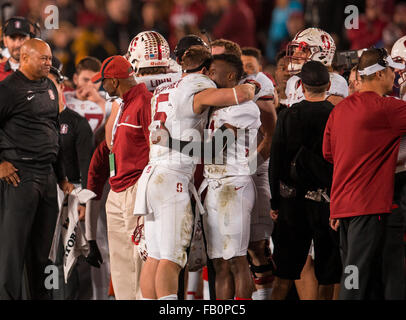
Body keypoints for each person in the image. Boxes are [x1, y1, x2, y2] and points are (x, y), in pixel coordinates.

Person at [135, 45, 256, 300]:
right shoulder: (198, 88)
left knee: (155, 258)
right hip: (174, 178)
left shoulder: (163, 88)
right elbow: (242, 94)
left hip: (154, 174)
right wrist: (252, 86)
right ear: (202, 71)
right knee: (170, 259)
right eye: (209, 73)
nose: (211, 79)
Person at [323, 48, 406, 300]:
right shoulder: (386, 109)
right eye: (392, 70)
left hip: (342, 205)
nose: (395, 75)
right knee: (356, 277)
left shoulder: (340, 110)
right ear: (380, 73)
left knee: (354, 272)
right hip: (368, 206)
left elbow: (329, 153)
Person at [0, 38, 74, 300]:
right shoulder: (8, 88)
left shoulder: (50, 87)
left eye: (50, 58)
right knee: (12, 251)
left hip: (47, 177)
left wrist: (62, 176)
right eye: (43, 58)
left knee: (42, 252)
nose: (48, 62)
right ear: (24, 58)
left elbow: (54, 134)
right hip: (20, 177)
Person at [269, 61, 342, 300]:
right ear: (329, 85)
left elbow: (276, 162)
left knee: (285, 274)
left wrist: (275, 203)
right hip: (326, 202)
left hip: (292, 203)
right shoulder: (336, 115)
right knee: (328, 275)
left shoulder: (288, 115)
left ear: (301, 85)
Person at [211, 38, 278, 300]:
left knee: (256, 246)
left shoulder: (255, 86)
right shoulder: (211, 86)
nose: (210, 66)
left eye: (216, 59)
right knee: (225, 256)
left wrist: (247, 168)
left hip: (251, 169)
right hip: (221, 175)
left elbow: (271, 136)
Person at [91, 55, 152, 300]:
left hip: (136, 188)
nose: (100, 86)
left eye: (103, 81)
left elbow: (155, 150)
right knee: (120, 261)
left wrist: (146, 190)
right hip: (116, 189)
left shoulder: (145, 101)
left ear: (114, 82)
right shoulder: (124, 103)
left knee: (139, 259)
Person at [201, 53, 261, 300]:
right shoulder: (214, 104)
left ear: (231, 76)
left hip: (233, 185)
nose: (208, 76)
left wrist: (170, 144)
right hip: (213, 185)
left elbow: (215, 148)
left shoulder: (246, 108)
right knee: (219, 264)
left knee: (237, 259)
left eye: (213, 72)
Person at [285, 27, 349, 107]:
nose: (294, 55)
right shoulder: (293, 81)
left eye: (303, 51)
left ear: (321, 54)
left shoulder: (336, 82)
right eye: (295, 50)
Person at [64, 56, 116, 133]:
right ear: (75, 79)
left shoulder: (111, 101)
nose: (90, 85)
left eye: (95, 81)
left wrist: (99, 102)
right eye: (85, 80)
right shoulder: (64, 98)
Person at [0, 16, 32, 81]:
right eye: (13, 38)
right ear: (5, 41)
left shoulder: (39, 71)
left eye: (22, 38)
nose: (17, 45)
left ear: (30, 40)